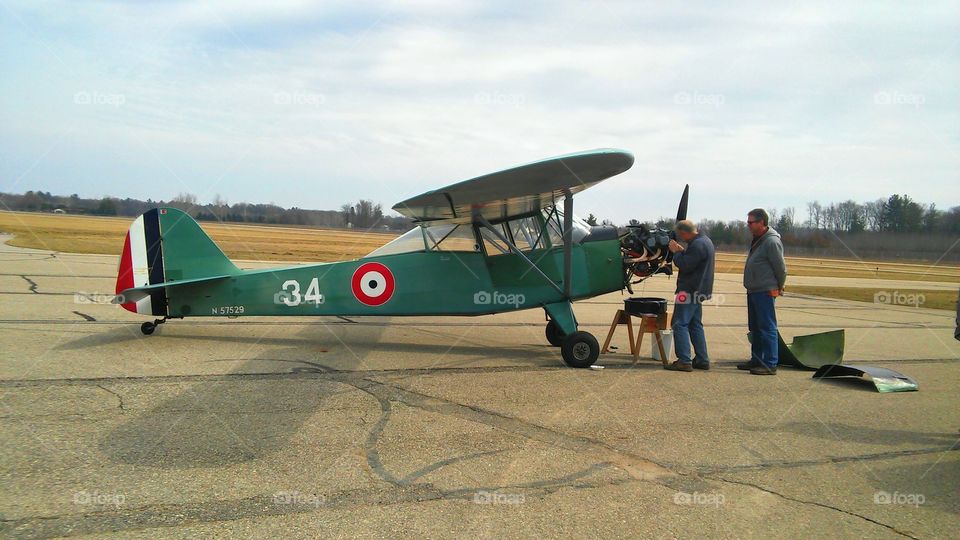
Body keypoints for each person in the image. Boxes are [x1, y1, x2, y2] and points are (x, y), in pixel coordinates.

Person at [739, 208, 787, 375]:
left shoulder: (771, 241)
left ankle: (770, 363)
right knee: (756, 327)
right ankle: (756, 360)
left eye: (751, 222)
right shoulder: (757, 239)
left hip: (765, 290)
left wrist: (779, 286)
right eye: (748, 222)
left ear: (762, 222)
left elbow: (780, 268)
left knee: (767, 327)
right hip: (754, 290)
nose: (748, 225)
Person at [664, 219, 715, 372]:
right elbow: (694, 261)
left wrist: (676, 253)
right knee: (695, 324)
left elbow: (685, 265)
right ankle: (702, 358)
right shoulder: (705, 241)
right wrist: (683, 251)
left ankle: (684, 360)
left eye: (681, 235)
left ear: (685, 233)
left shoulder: (698, 245)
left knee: (679, 323)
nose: (681, 238)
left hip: (688, 291)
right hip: (699, 290)